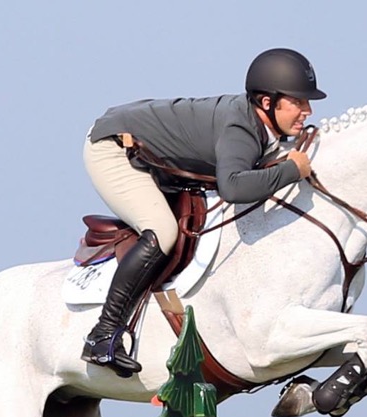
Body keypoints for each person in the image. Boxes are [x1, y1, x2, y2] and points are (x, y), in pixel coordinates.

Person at [81, 48, 326, 377]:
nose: (307, 110)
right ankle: (102, 336)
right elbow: (234, 188)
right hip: (114, 148)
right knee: (163, 231)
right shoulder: (241, 129)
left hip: (153, 148)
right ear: (267, 102)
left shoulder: (263, 127)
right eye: (298, 102)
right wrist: (291, 171)